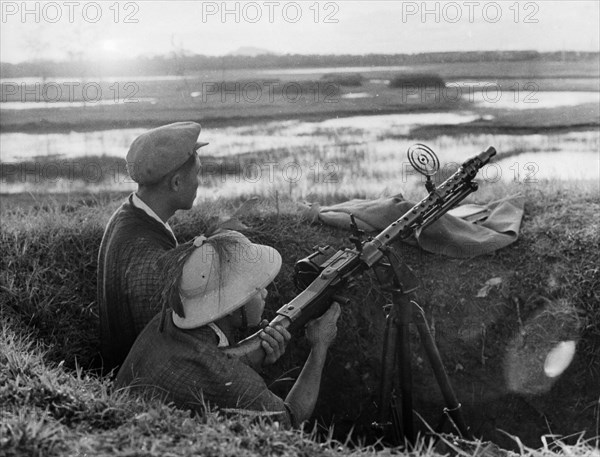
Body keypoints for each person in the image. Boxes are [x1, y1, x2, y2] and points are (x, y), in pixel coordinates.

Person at [115, 230, 341, 428]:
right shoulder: (226, 378)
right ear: (232, 307)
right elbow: (290, 421)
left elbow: (214, 357)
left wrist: (256, 356)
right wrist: (319, 346)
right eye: (256, 289)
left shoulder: (163, 322)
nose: (264, 293)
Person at [97, 121, 208, 373]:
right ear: (177, 183)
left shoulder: (131, 212)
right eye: (198, 173)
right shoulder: (149, 258)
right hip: (142, 389)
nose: (200, 182)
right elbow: (165, 350)